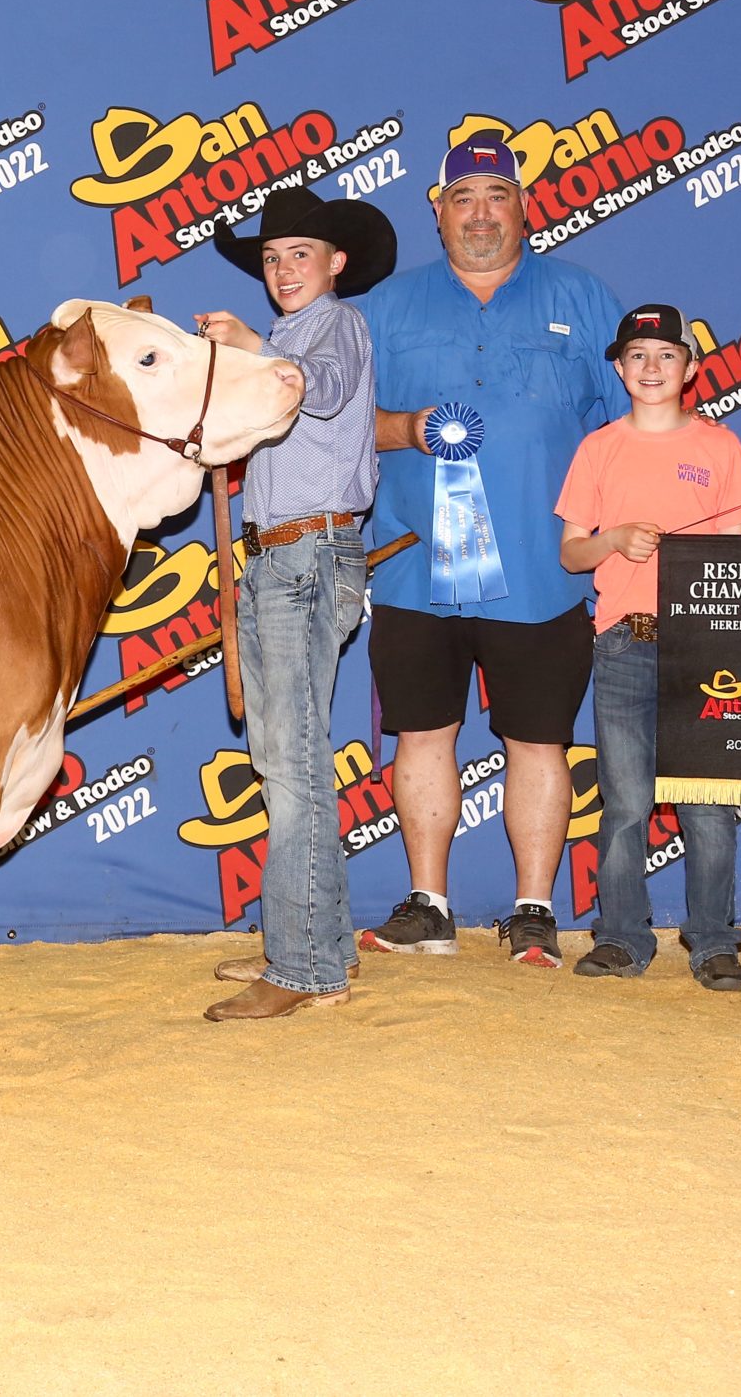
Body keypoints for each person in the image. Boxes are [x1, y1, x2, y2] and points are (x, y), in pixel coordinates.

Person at [354, 134, 624, 969]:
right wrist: (405, 430)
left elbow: (625, 431)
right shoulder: (385, 308)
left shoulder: (582, 299)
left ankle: (534, 909)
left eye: (496, 196)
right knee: (423, 735)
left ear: (524, 206)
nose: (480, 213)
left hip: (544, 573)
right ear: (437, 212)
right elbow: (335, 428)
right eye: (463, 197)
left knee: (540, 740)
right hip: (412, 565)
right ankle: (429, 903)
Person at [191, 185, 390, 1021]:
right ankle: (318, 941)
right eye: (271, 259)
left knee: (297, 763)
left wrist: (250, 353)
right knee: (285, 758)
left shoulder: (331, 329)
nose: (282, 270)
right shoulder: (285, 339)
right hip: (283, 553)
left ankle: (305, 967)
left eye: (298, 255)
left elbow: (332, 389)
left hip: (307, 552)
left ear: (335, 263)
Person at [557, 305, 741, 993]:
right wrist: (612, 539)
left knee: (709, 805)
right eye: (637, 356)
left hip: (706, 642)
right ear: (619, 368)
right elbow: (572, 552)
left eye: (665, 355)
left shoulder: (721, 447)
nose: (651, 367)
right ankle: (622, 936)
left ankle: (714, 940)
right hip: (626, 642)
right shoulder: (597, 448)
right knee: (624, 802)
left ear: (689, 367)